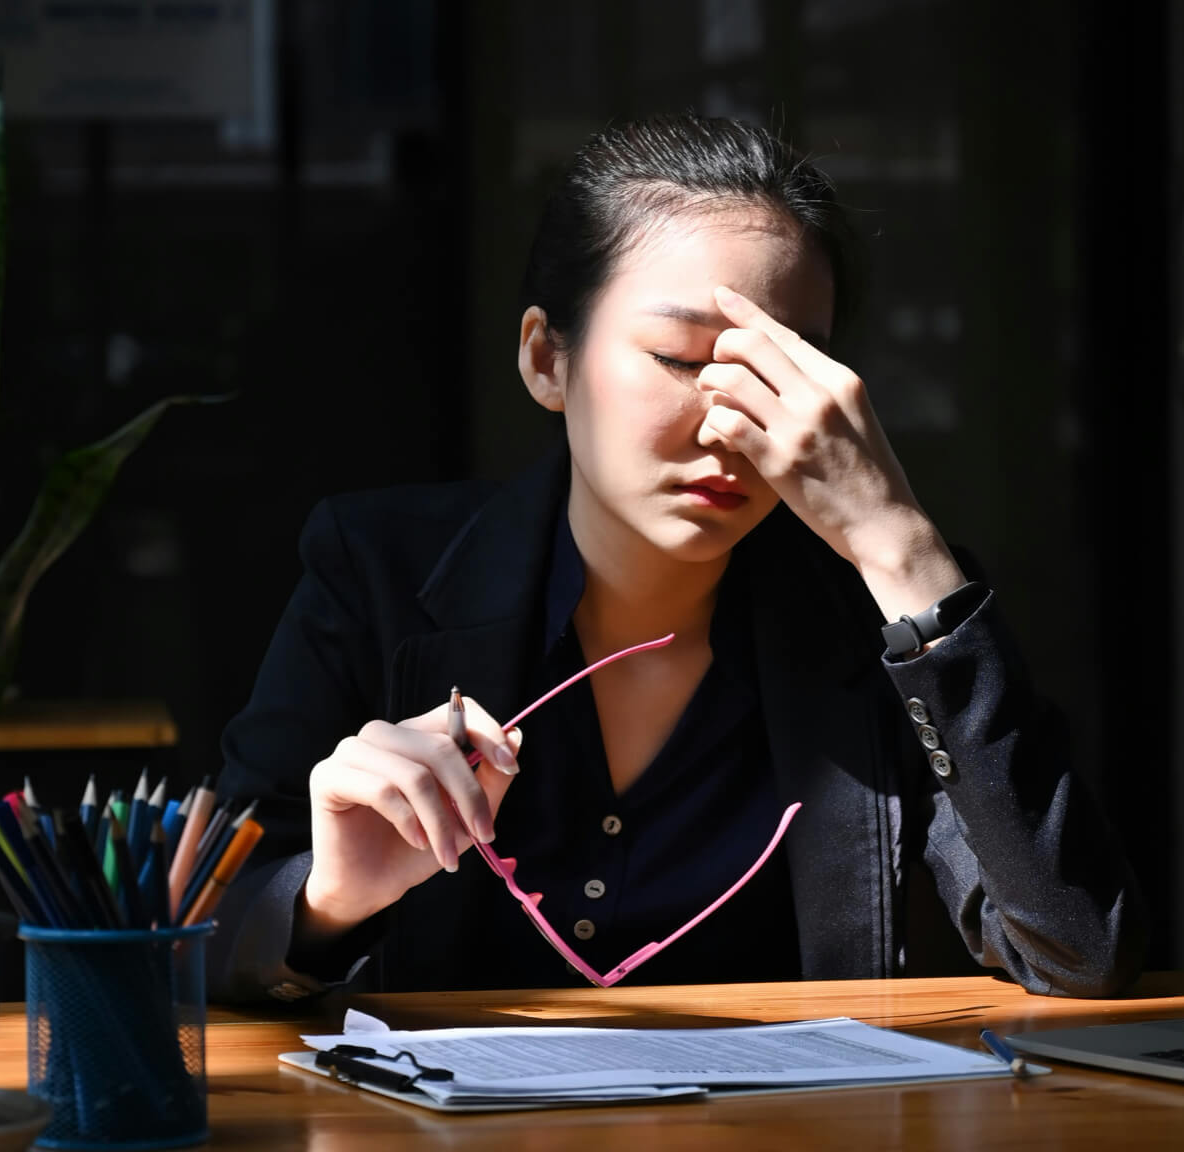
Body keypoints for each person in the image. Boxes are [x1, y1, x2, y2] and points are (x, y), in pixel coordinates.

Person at [207, 112, 1147, 1003]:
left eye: (779, 371)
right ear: (546, 360)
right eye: (682, 359)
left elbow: (1075, 952)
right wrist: (326, 901)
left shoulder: (879, 617)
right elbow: (194, 930)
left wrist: (897, 542)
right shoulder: (378, 573)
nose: (732, 420)